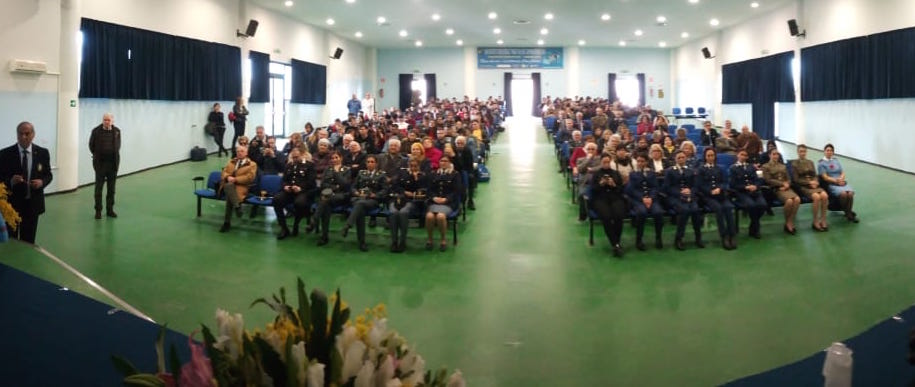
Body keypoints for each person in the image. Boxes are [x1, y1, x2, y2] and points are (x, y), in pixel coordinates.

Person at [0, 122, 53, 244]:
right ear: (17, 135)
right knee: (11, 242)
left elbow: (48, 175)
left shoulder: (42, 153)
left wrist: (42, 182)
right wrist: (11, 181)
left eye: (27, 134)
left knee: (28, 242)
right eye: (20, 134)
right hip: (12, 206)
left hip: (32, 206)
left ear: (33, 135)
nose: (24, 136)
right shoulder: (4, 154)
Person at [341, 155, 388, 251]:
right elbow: (353, 187)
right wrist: (356, 192)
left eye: (372, 162)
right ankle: (361, 242)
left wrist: (375, 195)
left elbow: (385, 190)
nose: (370, 164)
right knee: (360, 209)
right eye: (368, 162)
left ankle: (348, 225)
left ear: (376, 163)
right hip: (359, 198)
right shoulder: (361, 173)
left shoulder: (381, 174)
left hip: (372, 200)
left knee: (359, 205)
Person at [697, 148, 737, 250]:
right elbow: (700, 185)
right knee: (719, 209)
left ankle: (732, 235)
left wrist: (720, 188)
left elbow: (725, 182)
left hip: (721, 195)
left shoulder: (720, 168)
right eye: (708, 156)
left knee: (728, 208)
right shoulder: (701, 169)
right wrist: (710, 191)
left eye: (712, 155)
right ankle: (724, 236)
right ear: (705, 157)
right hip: (708, 196)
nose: (710, 158)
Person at [663, 151, 704, 250]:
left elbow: (695, 186)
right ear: (675, 159)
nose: (681, 159)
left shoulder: (691, 170)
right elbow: (667, 188)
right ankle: (679, 238)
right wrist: (680, 192)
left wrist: (690, 191)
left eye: (683, 157)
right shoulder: (670, 171)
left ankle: (698, 237)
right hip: (675, 198)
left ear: (686, 158)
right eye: (679, 157)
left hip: (689, 196)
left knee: (695, 210)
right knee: (684, 211)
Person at [274, 148, 317, 240]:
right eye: (293, 157)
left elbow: (311, 182)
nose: (295, 159)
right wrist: (285, 186)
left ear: (302, 155)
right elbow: (284, 180)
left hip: (304, 191)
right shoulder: (289, 166)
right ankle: (284, 228)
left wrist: (300, 188)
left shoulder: (309, 166)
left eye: (297, 157)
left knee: (299, 203)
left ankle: (296, 224)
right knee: (277, 199)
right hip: (290, 191)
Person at [589, 154, 627, 257]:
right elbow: (593, 190)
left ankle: (616, 242)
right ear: (600, 162)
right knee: (606, 217)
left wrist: (613, 185)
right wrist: (601, 183)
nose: (606, 164)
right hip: (600, 199)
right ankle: (615, 244)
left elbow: (620, 189)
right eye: (604, 162)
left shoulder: (615, 173)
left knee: (619, 216)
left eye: (608, 162)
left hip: (615, 198)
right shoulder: (596, 174)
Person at [626, 153, 665, 250]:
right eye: (638, 161)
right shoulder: (633, 174)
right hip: (638, 200)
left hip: (651, 199)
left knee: (658, 212)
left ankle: (658, 238)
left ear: (646, 162)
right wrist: (642, 198)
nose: (640, 163)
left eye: (642, 161)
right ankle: (639, 240)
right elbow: (631, 190)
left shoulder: (651, 173)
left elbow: (655, 187)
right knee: (641, 213)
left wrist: (651, 198)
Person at [389, 158, 428, 252]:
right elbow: (395, 185)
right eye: (411, 165)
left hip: (412, 201)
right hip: (398, 198)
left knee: (403, 213)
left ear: (419, 166)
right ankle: (394, 241)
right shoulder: (401, 173)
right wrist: (404, 192)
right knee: (393, 213)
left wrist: (415, 179)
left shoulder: (422, 176)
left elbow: (422, 190)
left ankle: (402, 241)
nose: (413, 168)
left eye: (415, 166)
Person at [88, 113, 122, 219]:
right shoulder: (95, 131)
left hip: (113, 165)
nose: (106, 121)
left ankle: (110, 210)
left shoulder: (117, 131)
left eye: (108, 120)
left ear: (112, 121)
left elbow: (118, 146)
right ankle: (98, 211)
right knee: (98, 190)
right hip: (100, 165)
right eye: (105, 120)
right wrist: (97, 156)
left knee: (111, 189)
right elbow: (91, 146)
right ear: (102, 120)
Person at [314, 151, 351, 246]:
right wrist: (335, 187)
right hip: (328, 196)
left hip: (341, 196)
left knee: (324, 201)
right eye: (332, 158)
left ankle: (315, 220)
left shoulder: (347, 170)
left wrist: (336, 173)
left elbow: (345, 185)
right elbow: (323, 184)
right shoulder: (327, 169)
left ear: (341, 158)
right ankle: (324, 235)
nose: (334, 160)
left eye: (336, 157)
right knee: (325, 206)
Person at [425, 155, 461, 251]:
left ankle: (443, 240)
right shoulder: (433, 174)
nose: (443, 163)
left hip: (448, 203)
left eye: (446, 161)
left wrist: (446, 199)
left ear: (449, 163)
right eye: (441, 161)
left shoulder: (455, 175)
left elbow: (457, 191)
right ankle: (430, 239)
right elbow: (429, 189)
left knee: (441, 216)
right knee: (429, 216)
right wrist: (433, 197)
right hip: (434, 201)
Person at [761, 148, 800, 234]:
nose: (775, 156)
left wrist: (787, 184)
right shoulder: (765, 166)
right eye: (773, 154)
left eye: (777, 154)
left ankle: (790, 221)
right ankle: (787, 222)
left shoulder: (783, 166)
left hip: (786, 188)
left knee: (797, 200)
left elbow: (789, 178)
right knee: (789, 201)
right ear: (769, 155)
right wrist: (782, 184)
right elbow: (768, 180)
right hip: (776, 189)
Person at [729, 149, 768, 239]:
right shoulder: (733, 168)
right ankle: (756, 228)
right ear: (737, 155)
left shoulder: (752, 167)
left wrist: (755, 186)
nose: (743, 156)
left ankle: (752, 226)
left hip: (754, 191)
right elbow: (733, 184)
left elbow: (759, 180)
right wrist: (745, 187)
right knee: (751, 205)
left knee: (763, 205)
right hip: (742, 192)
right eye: (741, 154)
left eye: (745, 155)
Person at [218, 145, 257, 233]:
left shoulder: (252, 164)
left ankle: (226, 223)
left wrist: (236, 179)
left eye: (242, 151)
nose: (239, 153)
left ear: (246, 153)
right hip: (229, 185)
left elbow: (250, 177)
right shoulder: (232, 162)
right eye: (238, 151)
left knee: (229, 195)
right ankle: (237, 207)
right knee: (229, 186)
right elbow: (224, 172)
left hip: (242, 186)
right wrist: (228, 177)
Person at [791, 144, 829, 231]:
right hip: (804, 186)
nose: (803, 153)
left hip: (814, 185)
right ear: (797, 152)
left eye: (804, 151)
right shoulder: (794, 164)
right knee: (816, 197)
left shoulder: (810, 162)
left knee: (825, 196)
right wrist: (809, 182)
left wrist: (815, 182)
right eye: (801, 151)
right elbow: (796, 180)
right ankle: (815, 221)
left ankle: (823, 220)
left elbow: (815, 175)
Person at [818, 143, 858, 223]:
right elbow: (825, 177)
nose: (829, 152)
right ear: (824, 151)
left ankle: (848, 212)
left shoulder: (836, 160)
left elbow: (842, 172)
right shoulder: (821, 163)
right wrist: (836, 181)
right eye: (827, 150)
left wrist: (841, 179)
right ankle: (848, 213)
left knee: (850, 194)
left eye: (831, 151)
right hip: (832, 183)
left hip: (841, 181)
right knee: (843, 194)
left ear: (833, 152)